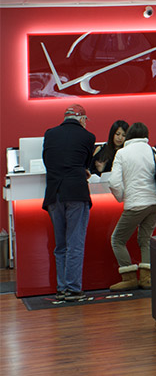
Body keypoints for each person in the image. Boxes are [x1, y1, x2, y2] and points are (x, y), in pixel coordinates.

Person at [42, 104, 96, 302]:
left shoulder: (50, 134)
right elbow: (85, 165)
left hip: (54, 194)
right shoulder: (88, 137)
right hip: (76, 193)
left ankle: (62, 288)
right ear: (82, 119)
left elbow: (48, 160)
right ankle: (74, 289)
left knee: (61, 245)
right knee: (75, 242)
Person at [107, 122, 156, 290]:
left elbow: (114, 182)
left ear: (128, 135)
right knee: (145, 239)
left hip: (136, 204)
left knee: (117, 239)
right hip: (155, 203)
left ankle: (129, 278)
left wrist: (122, 197)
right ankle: (147, 279)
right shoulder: (152, 151)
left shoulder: (122, 153)